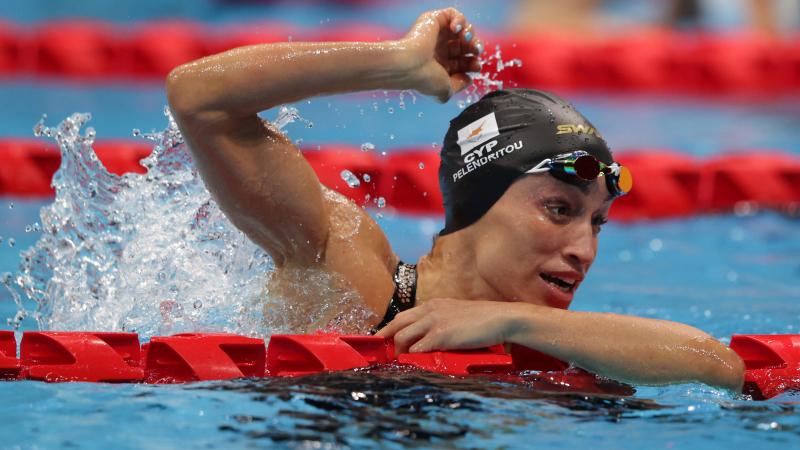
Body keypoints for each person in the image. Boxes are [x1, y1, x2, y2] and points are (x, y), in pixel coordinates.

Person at [166, 7, 744, 391]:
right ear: (478, 203)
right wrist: (396, 62)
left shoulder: (562, 344)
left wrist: (510, 320)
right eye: (559, 210)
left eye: (598, 222)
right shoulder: (348, 269)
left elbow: (720, 367)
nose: (584, 250)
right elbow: (199, 99)